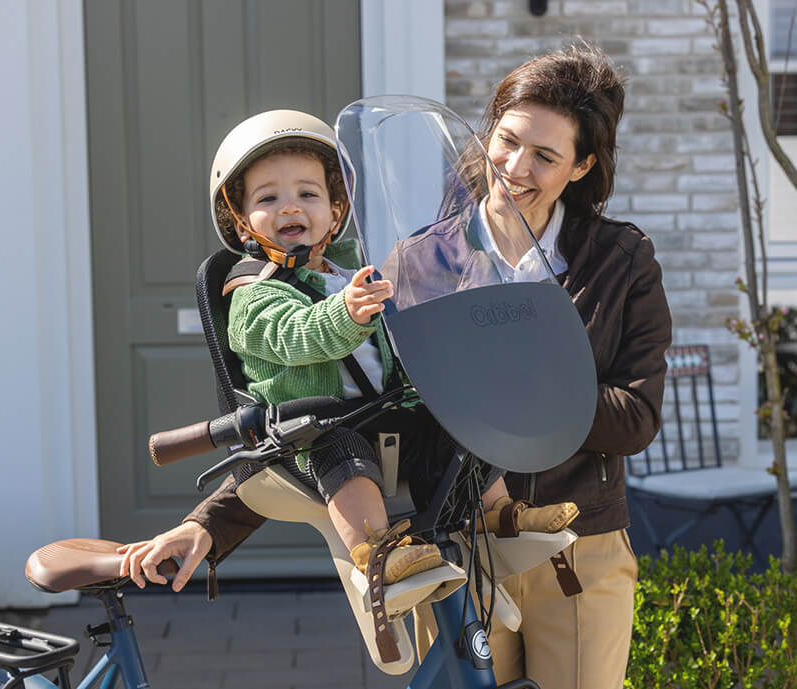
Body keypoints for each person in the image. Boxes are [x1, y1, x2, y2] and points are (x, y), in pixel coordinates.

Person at [119, 110, 578, 596]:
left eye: (308, 194)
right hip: (313, 431)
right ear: (240, 220)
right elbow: (294, 334)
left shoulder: (354, 264)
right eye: (267, 198)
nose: (289, 207)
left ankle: (501, 515)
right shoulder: (251, 291)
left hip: (385, 413)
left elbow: (407, 320)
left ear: (337, 211)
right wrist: (348, 313)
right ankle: (379, 550)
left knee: (459, 425)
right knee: (345, 456)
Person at [380, 42, 672, 689]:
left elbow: (637, 417)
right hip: (460, 547)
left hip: (578, 545)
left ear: (582, 165)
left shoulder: (621, 260)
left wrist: (525, 372)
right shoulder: (419, 262)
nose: (514, 166)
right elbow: (393, 408)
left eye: (545, 155)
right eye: (507, 140)